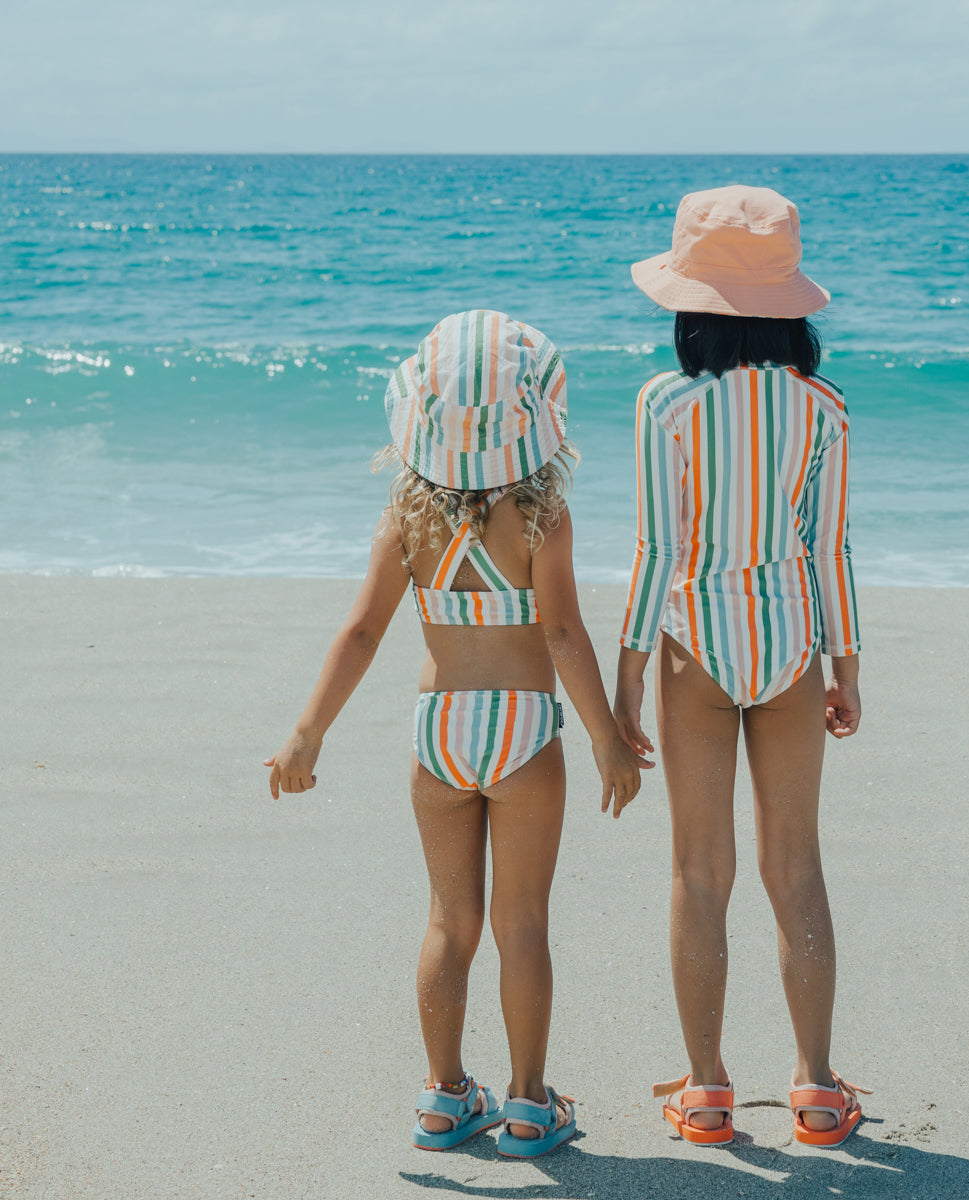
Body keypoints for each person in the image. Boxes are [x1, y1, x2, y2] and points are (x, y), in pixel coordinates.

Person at [266, 310, 647, 1158]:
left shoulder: (406, 518)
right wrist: (605, 739)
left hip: (438, 730)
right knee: (523, 924)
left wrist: (306, 734)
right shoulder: (543, 516)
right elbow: (561, 635)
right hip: (521, 729)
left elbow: (361, 633)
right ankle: (527, 1105)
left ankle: (442, 1100)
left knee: (448, 921)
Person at [613, 186, 869, 1147]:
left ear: (692, 306)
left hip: (694, 650)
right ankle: (812, 1086)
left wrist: (630, 671)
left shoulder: (666, 405)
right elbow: (832, 547)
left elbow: (654, 547)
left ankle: (709, 1090)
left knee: (699, 868)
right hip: (793, 644)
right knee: (796, 866)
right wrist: (845, 664)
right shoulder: (825, 409)